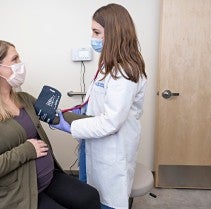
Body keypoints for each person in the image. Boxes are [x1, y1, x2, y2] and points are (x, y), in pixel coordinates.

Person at [0, 40, 100, 209]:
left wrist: (99, 121)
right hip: (15, 192)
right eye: (15, 59)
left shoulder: (23, 99)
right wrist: (26, 151)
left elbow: (59, 117)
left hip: (47, 178)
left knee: (89, 197)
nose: (20, 64)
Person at [52, 4, 147, 209]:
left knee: (108, 200)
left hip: (112, 149)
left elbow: (111, 122)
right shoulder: (108, 65)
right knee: (91, 195)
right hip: (94, 142)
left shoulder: (125, 72)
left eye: (96, 32)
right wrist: (79, 112)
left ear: (113, 33)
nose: (92, 37)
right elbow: (99, 103)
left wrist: (70, 127)